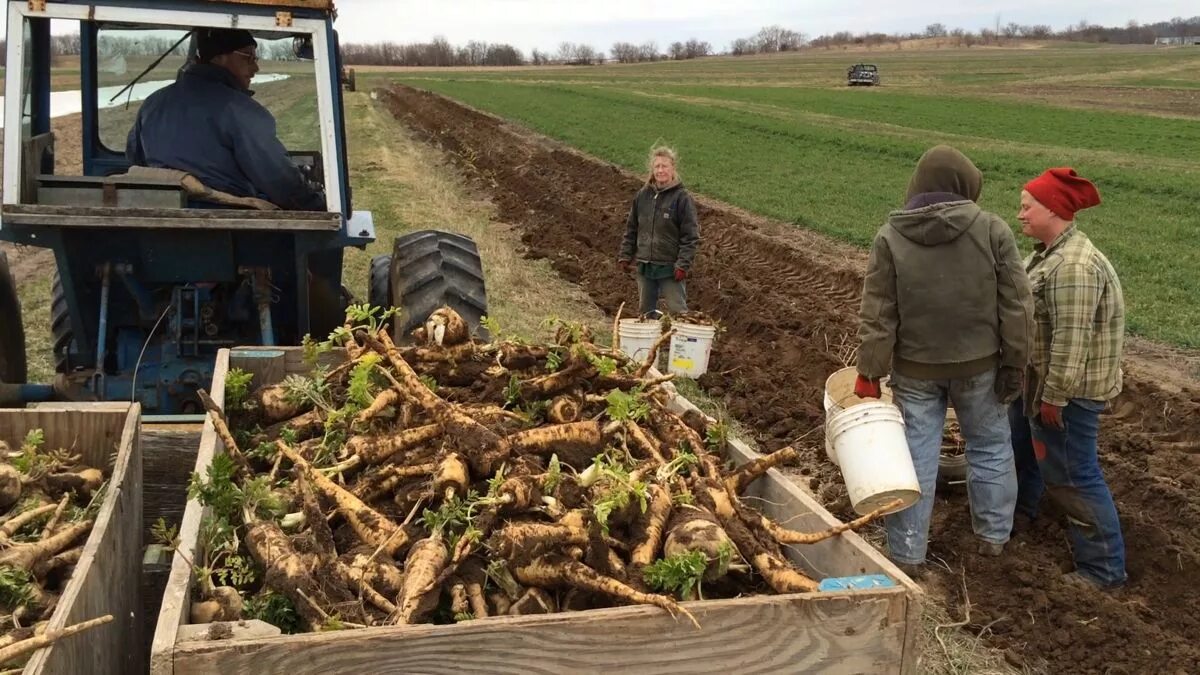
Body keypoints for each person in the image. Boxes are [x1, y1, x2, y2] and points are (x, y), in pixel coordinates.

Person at [855, 145, 1033, 577]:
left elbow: (878, 311)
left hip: (916, 370)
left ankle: (906, 554)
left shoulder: (890, 237)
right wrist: (1015, 361)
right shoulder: (992, 230)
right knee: (990, 447)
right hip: (980, 365)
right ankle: (992, 539)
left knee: (914, 459)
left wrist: (868, 373)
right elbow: (1016, 304)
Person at [1010, 168, 1127, 591]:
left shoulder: (1074, 268)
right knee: (1022, 451)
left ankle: (1103, 570)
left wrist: (1053, 399)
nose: (1019, 214)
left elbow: (1070, 342)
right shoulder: (1046, 255)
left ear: (1053, 210)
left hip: (1066, 394)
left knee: (1074, 475)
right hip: (1038, 383)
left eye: (1026, 206)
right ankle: (1021, 515)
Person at [126, 28, 325, 211]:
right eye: (248, 57)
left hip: (162, 219)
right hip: (229, 226)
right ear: (219, 57)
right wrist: (319, 204)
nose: (256, 67)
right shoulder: (241, 111)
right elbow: (280, 183)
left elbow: (135, 159)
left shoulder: (152, 103)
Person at [617, 145, 700, 316]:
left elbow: (690, 237)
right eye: (657, 166)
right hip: (645, 266)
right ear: (652, 169)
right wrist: (625, 255)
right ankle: (651, 343)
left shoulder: (681, 198)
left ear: (672, 168)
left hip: (670, 268)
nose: (660, 170)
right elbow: (631, 228)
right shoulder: (642, 196)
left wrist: (682, 265)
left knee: (678, 313)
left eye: (664, 166)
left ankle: (680, 342)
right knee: (646, 314)